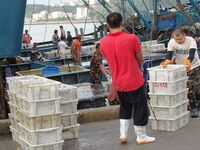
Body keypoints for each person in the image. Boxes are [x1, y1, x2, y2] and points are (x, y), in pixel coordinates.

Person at [100, 12, 155, 144]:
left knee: (124, 107)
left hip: (118, 82)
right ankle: (141, 136)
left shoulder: (102, 42)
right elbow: (140, 58)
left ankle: (123, 135)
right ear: (122, 22)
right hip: (134, 79)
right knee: (140, 107)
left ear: (107, 25)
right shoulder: (131, 38)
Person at [161, 28, 200, 118]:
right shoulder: (171, 42)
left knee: (190, 86)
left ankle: (193, 107)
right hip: (179, 66)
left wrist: (188, 61)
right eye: (176, 39)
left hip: (193, 65)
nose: (178, 41)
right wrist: (167, 61)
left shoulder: (191, 41)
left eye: (180, 39)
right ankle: (185, 104)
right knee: (181, 86)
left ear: (184, 36)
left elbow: (192, 53)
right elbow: (169, 54)